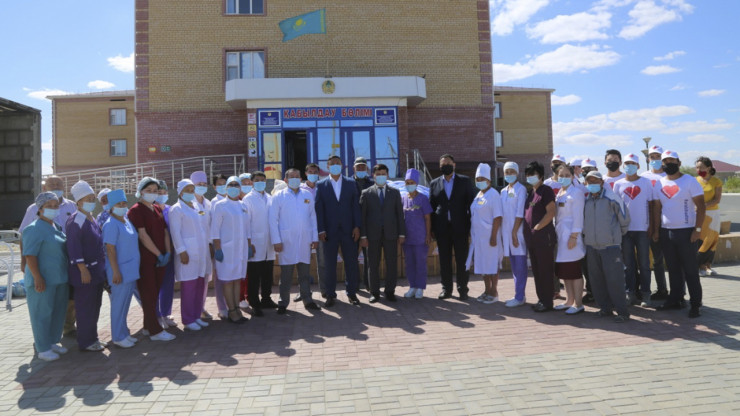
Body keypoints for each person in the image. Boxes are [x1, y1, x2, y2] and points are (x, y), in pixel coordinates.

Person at [19, 175, 78, 337]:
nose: (56, 186)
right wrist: (23, 261)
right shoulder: (33, 209)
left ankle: (67, 327)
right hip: (43, 261)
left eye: (59, 183)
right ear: (44, 187)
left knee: (67, 297)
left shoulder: (72, 206)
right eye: (52, 184)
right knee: (44, 303)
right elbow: (23, 236)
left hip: (66, 260)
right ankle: (44, 340)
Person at [652, 150, 706, 318]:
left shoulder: (689, 181)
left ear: (679, 163)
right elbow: (657, 208)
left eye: (672, 161)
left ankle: (695, 304)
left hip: (686, 232)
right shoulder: (659, 183)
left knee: (690, 270)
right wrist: (656, 230)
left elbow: (701, 206)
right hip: (666, 232)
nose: (669, 164)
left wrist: (697, 230)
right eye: (665, 161)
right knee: (673, 269)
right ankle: (675, 299)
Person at [22, 192, 70, 361]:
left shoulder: (56, 226)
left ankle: (52, 341)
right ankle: (43, 348)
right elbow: (30, 255)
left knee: (57, 312)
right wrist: (38, 277)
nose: (53, 208)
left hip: (59, 278)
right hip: (42, 280)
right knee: (41, 314)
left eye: (55, 206)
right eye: (49, 206)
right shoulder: (33, 229)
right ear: (40, 208)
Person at [128, 177, 175, 341]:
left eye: (155, 191)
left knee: (154, 294)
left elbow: (165, 232)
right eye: (148, 191)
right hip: (147, 259)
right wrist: (158, 254)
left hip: (161, 258)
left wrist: (167, 252)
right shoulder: (135, 210)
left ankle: (147, 327)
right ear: (140, 192)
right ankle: (155, 331)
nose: (153, 193)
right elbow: (143, 235)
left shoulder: (156, 208)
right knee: (148, 294)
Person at [269, 168, 321, 314]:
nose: (295, 179)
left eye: (297, 176)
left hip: (304, 240)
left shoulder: (307, 195)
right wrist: (276, 240)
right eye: (291, 177)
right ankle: (283, 303)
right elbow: (273, 220)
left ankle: (307, 300)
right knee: (286, 275)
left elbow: (312, 217)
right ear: (285, 180)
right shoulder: (278, 196)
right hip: (286, 241)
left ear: (301, 179)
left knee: (304, 274)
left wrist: (314, 237)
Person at [583, 171, 631, 322]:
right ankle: (605, 308)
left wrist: (615, 235)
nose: (592, 184)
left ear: (602, 183)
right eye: (589, 181)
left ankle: (622, 312)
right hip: (592, 246)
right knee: (596, 280)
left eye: (595, 181)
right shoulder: (586, 200)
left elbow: (624, 218)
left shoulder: (612, 197)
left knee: (615, 281)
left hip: (610, 246)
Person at [315, 155, 362, 307]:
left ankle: (352, 293)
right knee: (329, 265)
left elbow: (356, 206)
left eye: (338, 163)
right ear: (328, 167)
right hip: (329, 232)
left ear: (342, 165)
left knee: (351, 262)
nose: (335, 165)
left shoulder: (351, 183)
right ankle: (330, 294)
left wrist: (357, 226)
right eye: (332, 163)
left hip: (349, 230)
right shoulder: (321, 185)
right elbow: (319, 209)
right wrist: (321, 230)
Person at [65, 181, 106, 351]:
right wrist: (82, 269)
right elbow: (74, 247)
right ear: (78, 201)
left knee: (95, 306)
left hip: (96, 271)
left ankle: (93, 337)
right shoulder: (76, 220)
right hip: (84, 272)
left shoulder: (91, 218)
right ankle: (86, 341)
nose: (91, 201)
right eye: (87, 198)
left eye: (92, 198)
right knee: (85, 308)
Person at [429, 154, 476, 300]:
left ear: (454, 165)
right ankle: (446, 289)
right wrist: (432, 229)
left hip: (461, 227)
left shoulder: (465, 181)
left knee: (462, 260)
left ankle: (463, 290)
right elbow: (432, 207)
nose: (446, 166)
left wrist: (471, 226)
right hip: (442, 228)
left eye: (448, 163)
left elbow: (472, 205)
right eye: (443, 164)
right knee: (444, 260)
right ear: (439, 167)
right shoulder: (434, 183)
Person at [360, 164, 406, 303]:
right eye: (378, 174)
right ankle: (374, 292)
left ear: (387, 175)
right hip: (372, 235)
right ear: (373, 175)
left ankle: (390, 291)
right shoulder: (366, 193)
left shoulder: (395, 192)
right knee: (372, 264)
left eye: (383, 174)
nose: (381, 176)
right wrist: (363, 236)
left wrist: (401, 234)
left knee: (391, 263)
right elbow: (362, 217)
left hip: (391, 234)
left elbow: (399, 214)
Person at [613, 153, 655, 306]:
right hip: (625, 231)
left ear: (638, 166)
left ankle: (646, 294)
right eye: (627, 164)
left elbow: (651, 205)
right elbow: (615, 208)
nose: (629, 166)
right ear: (623, 165)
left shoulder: (646, 183)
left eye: (632, 164)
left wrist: (652, 226)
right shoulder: (618, 184)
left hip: (642, 230)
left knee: (644, 264)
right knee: (628, 265)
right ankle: (630, 293)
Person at [169, 179, 210, 331]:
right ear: (180, 192)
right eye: (187, 190)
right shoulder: (176, 209)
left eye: (192, 190)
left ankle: (196, 316)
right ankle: (187, 319)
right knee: (189, 287)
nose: (190, 193)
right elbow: (175, 232)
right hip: (188, 253)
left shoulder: (196, 206)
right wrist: (182, 251)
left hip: (201, 252)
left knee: (199, 285)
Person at [102, 189, 141, 348]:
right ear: (111, 206)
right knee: (118, 305)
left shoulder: (126, 220)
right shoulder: (111, 224)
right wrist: (116, 271)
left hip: (130, 270)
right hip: (119, 271)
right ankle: (118, 336)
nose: (123, 206)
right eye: (119, 204)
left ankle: (124, 333)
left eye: (124, 203)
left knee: (125, 305)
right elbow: (110, 249)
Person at [211, 176, 251, 323]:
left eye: (236, 185)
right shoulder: (220, 205)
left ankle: (237, 309)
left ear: (240, 188)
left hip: (241, 249)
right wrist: (218, 249)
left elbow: (247, 229)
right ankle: (232, 311)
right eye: (231, 185)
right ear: (226, 188)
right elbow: (215, 230)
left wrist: (249, 245)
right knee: (228, 281)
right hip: (226, 250)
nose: (234, 187)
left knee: (237, 280)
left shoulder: (243, 205)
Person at [522, 161, 557, 312]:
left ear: (541, 175)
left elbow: (551, 212)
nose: (530, 177)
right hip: (532, 240)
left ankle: (547, 302)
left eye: (533, 174)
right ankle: (541, 299)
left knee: (545, 270)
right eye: (528, 175)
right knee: (536, 271)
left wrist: (537, 227)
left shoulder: (546, 191)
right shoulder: (531, 193)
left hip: (543, 238)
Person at [466, 163, 503, 304]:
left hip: (490, 237)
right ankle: (487, 290)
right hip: (479, 238)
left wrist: (493, 236)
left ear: (489, 180)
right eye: (477, 179)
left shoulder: (493, 194)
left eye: (482, 179)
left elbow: (497, 217)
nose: (480, 181)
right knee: (483, 265)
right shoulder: (479, 195)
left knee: (492, 264)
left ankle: (494, 292)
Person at [553, 165, 586, 314]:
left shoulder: (576, 193)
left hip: (571, 237)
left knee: (574, 271)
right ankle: (569, 300)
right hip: (561, 237)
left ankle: (578, 304)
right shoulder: (560, 193)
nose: (564, 178)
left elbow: (578, 217)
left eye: (567, 175)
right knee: (565, 272)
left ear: (573, 177)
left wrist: (574, 236)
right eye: (561, 175)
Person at [244, 171, 277, 316]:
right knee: (254, 276)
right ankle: (254, 303)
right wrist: (249, 243)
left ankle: (266, 299)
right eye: (257, 180)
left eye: (262, 180)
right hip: (255, 242)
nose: (260, 182)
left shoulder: (269, 197)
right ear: (252, 182)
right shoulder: (248, 199)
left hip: (269, 243)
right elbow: (246, 224)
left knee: (267, 274)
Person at [640, 145, 669, 300]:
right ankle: (660, 289)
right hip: (649, 223)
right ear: (648, 159)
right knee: (655, 260)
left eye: (658, 157)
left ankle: (676, 292)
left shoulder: (668, 175)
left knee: (671, 261)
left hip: (667, 223)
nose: (655, 160)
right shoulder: (643, 177)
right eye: (652, 157)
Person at [500, 162, 528, 307]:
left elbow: (520, 213)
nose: (509, 174)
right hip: (507, 234)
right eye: (507, 172)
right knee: (514, 266)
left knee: (520, 265)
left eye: (512, 171)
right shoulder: (503, 191)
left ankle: (520, 296)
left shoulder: (521, 189)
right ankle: (518, 294)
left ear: (517, 173)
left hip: (517, 233)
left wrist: (514, 233)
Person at [401, 169, 432, 299]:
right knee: (409, 263)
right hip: (407, 238)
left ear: (417, 183)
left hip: (420, 237)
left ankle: (420, 287)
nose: (409, 185)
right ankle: (412, 286)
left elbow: (427, 218)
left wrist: (428, 235)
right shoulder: (403, 198)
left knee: (420, 262)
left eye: (412, 182)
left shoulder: (423, 199)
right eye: (407, 182)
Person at [190, 171, 215, 320]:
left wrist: (211, 244)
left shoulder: (208, 204)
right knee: (194, 280)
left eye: (204, 184)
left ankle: (201, 307)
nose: (202, 186)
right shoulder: (189, 204)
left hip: (206, 247)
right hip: (193, 248)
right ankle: (193, 310)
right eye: (199, 184)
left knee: (205, 279)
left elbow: (211, 226)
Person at [300, 163, 326, 299]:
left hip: (320, 229)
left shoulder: (323, 187)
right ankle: (303, 292)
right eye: (310, 172)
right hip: (304, 230)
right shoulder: (299, 189)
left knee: (322, 261)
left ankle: (324, 290)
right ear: (306, 173)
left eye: (315, 172)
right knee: (302, 262)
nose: (313, 174)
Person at [154, 180, 177, 329]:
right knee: (156, 285)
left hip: (171, 252)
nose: (162, 195)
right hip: (156, 253)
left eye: (164, 193)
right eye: (159, 193)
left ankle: (166, 313)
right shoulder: (151, 210)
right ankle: (157, 315)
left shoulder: (171, 210)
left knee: (168, 284)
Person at [695, 157, 722, 276]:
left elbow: (717, 199)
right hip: (699, 214)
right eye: (697, 167)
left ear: (709, 168)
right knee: (702, 240)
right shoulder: (695, 181)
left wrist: (704, 205)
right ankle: (700, 266)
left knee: (712, 240)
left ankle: (708, 265)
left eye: (701, 167)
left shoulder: (716, 181)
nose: (698, 170)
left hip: (713, 214)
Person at [353, 157, 375, 290]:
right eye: (358, 166)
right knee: (352, 256)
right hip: (352, 225)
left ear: (367, 168)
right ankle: (354, 284)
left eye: (363, 166)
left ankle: (368, 283)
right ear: (354, 168)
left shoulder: (372, 183)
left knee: (369, 256)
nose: (361, 169)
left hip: (368, 224)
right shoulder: (348, 183)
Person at [210, 173, 229, 318]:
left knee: (231, 277)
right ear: (214, 187)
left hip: (232, 244)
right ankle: (222, 307)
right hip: (220, 245)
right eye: (219, 184)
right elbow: (214, 227)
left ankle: (231, 305)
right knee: (220, 278)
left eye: (225, 184)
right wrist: (217, 247)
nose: (222, 187)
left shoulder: (233, 200)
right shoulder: (214, 203)